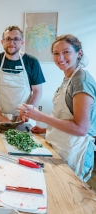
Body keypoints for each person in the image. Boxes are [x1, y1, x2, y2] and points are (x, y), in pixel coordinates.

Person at [19, 34, 96, 182]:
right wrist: (46, 129)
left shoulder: (81, 81)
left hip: (75, 152)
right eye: (56, 53)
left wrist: (39, 116)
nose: (60, 58)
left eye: (66, 52)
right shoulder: (70, 78)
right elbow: (66, 117)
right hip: (62, 146)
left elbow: (81, 129)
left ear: (78, 53)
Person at [0, 25, 45, 123]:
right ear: (2, 42)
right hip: (2, 116)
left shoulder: (32, 61)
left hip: (25, 118)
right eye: (8, 39)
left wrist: (26, 112)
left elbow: (37, 91)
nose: (11, 43)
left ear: (22, 42)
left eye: (16, 39)